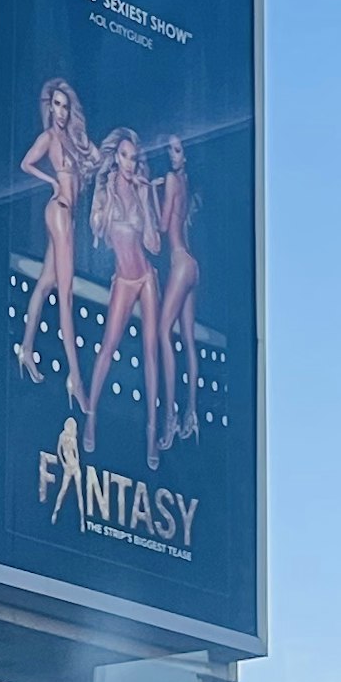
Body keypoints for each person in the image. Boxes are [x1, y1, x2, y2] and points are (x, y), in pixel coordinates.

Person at [78, 130, 161, 461]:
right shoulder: (107, 189)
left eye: (134, 157)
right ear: (117, 157)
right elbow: (96, 229)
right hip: (124, 280)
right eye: (124, 156)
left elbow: (154, 245)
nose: (129, 163)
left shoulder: (142, 191)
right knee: (108, 347)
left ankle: (152, 433)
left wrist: (145, 201)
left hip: (146, 277)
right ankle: (90, 418)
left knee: (150, 352)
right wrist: (106, 202)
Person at [13, 77, 94, 396]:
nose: (61, 111)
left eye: (66, 106)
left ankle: (26, 348)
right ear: (49, 107)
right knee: (65, 293)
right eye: (56, 105)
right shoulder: (48, 138)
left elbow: (97, 159)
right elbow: (26, 163)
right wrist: (51, 181)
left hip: (67, 216)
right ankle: (75, 377)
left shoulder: (72, 139)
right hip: (58, 210)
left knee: (46, 283)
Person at [153, 132, 202, 452]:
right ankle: (192, 413)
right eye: (169, 149)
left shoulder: (171, 180)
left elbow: (160, 225)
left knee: (162, 333)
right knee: (187, 341)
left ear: (184, 155)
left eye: (176, 149)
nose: (172, 155)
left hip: (180, 263)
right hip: (192, 265)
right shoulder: (185, 184)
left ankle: (170, 413)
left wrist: (152, 192)